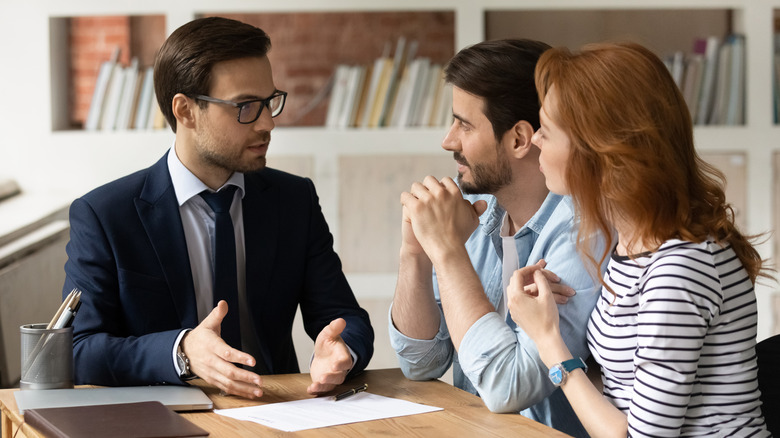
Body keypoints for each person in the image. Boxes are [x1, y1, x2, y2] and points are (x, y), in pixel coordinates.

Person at [62, 16, 373, 399]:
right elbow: (79, 350)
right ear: (185, 111)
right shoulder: (105, 215)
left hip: (278, 410)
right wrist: (181, 351)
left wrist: (342, 351)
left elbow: (345, 317)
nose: (267, 124)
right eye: (245, 107)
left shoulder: (294, 200)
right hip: (164, 417)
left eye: (269, 102)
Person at [508, 41, 770, 437]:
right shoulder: (632, 247)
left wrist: (547, 338)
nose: (536, 141)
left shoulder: (680, 267)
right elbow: (621, 392)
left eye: (547, 129)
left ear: (601, 152)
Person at [388, 39, 603, 437]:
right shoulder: (476, 208)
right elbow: (421, 362)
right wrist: (415, 254)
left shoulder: (583, 233)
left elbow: (509, 386)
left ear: (520, 139)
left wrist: (448, 253)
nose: (448, 141)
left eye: (464, 124)